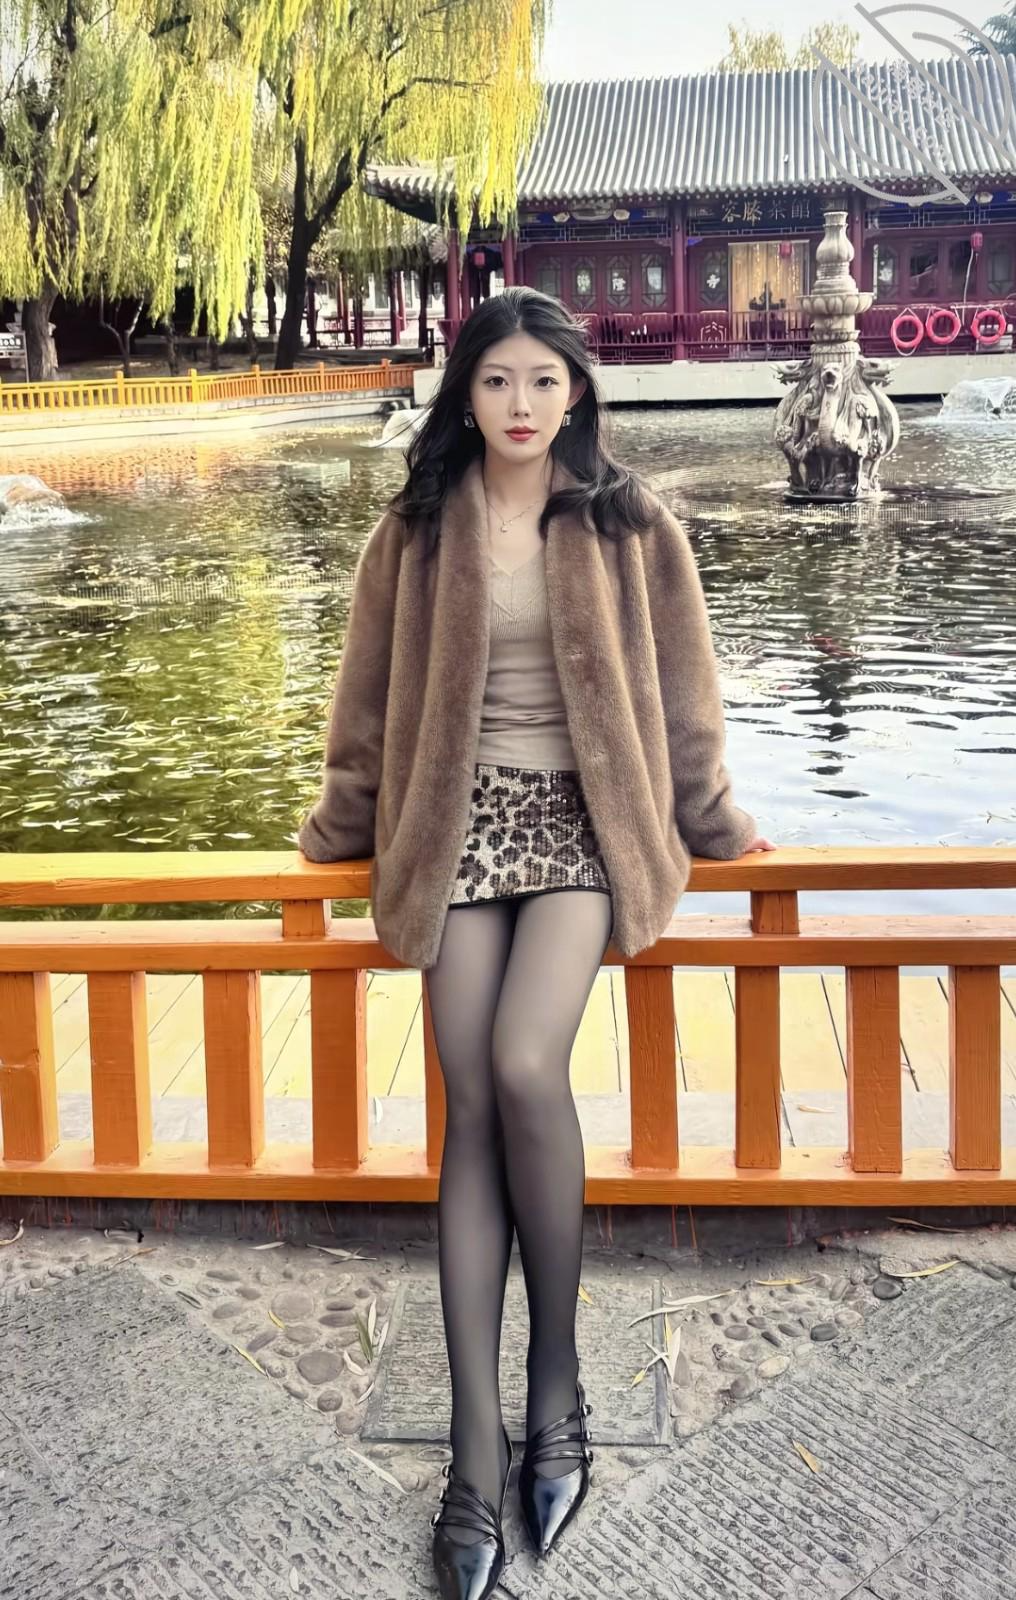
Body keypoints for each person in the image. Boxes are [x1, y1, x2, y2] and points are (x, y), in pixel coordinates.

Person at [297, 285, 775, 1599]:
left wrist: (714, 821)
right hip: (455, 826)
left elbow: (685, 699)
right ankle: (475, 1446)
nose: (520, 404)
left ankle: (556, 1388)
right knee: (467, 1101)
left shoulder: (629, 524)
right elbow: (364, 706)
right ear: (467, 393)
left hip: (579, 826)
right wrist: (341, 826)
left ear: (577, 394)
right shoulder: (413, 532)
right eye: (498, 379)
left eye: (543, 381)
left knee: (522, 1064)